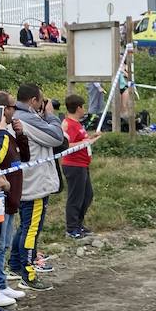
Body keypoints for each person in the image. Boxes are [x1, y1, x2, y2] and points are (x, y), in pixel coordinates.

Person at [9, 83, 64, 291]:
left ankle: (15, 264)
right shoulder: (29, 119)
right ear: (33, 101)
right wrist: (50, 115)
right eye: (41, 101)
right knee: (31, 229)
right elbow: (58, 137)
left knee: (24, 227)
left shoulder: (16, 116)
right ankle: (28, 273)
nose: (43, 104)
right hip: (35, 184)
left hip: (24, 182)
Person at [0, 92, 28, 308]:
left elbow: (24, 157)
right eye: (12, 107)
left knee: (6, 243)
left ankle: (1, 282)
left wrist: (20, 135)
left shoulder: (8, 135)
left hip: (12, 196)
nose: (15, 111)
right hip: (0, 196)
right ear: (3, 109)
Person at [62, 94, 97, 238]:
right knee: (75, 197)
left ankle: (79, 224)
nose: (85, 110)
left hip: (83, 164)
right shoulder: (68, 124)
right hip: (73, 165)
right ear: (78, 108)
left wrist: (92, 137)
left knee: (87, 195)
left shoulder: (77, 123)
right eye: (83, 107)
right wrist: (86, 143)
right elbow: (66, 145)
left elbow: (82, 139)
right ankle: (71, 228)